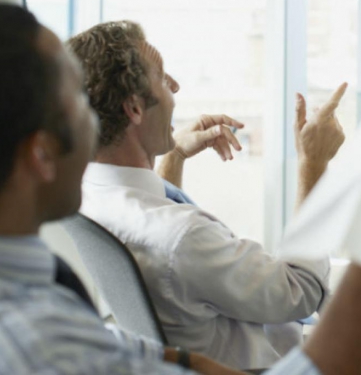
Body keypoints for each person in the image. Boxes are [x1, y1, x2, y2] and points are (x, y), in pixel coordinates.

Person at [0, 1, 361, 375]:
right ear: (41, 153)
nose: (91, 115)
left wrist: (173, 156)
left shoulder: (88, 208)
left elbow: (145, 345)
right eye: (74, 98)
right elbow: (302, 292)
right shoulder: (28, 340)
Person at [67, 21, 346, 370]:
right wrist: (314, 164)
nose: (176, 86)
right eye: (163, 77)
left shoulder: (88, 194)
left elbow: (164, 252)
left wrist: (174, 154)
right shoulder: (183, 237)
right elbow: (300, 292)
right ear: (135, 108)